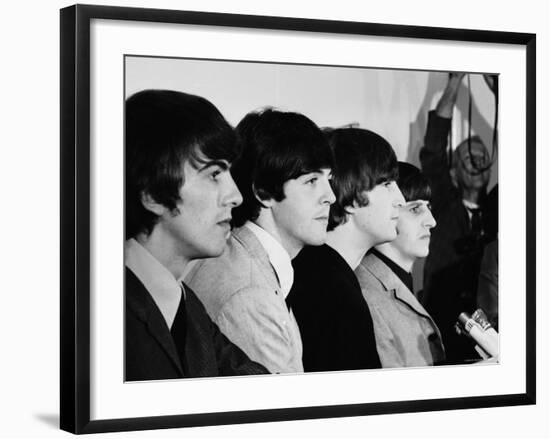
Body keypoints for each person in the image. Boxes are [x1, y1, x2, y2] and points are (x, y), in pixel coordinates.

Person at [125, 89, 268, 381]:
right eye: (214, 174)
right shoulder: (93, 314)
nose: (236, 196)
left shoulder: (186, 303)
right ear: (152, 193)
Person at [185, 108, 335, 374]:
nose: (330, 196)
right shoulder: (250, 294)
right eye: (312, 180)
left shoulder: (250, 262)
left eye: (329, 179)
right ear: (263, 192)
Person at [287, 127, 404, 372]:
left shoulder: (320, 271)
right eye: (387, 184)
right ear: (351, 195)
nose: (400, 199)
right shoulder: (331, 291)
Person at [419, 72, 496, 363]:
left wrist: (503, 90)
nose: (477, 161)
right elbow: (434, 150)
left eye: (482, 156)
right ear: (454, 172)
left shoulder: (498, 209)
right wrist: (455, 82)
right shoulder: (442, 205)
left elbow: (528, 147)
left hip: (491, 332)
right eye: (468, 157)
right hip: (441, 328)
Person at [356, 162, 445, 367]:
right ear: (389, 212)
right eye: (415, 209)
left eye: (428, 207)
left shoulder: (394, 280)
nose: (431, 221)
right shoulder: (367, 295)